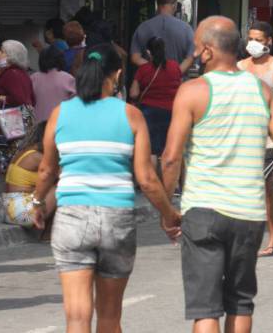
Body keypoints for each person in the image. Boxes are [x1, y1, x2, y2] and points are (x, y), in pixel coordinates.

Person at [160, 16, 273, 331]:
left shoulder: (192, 91)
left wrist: (165, 209)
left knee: (206, 309)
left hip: (203, 212)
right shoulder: (261, 92)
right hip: (248, 214)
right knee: (240, 302)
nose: (195, 54)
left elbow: (171, 158)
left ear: (209, 51)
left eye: (197, 48)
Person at [32, 44, 181, 333]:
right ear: (118, 73)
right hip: (117, 218)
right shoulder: (130, 115)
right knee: (110, 317)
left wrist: (37, 204)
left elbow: (47, 170)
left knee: (77, 317)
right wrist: (168, 214)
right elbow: (147, 178)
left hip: (71, 218)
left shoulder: (60, 114)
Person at [238, 22, 273, 256]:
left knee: (259, 184)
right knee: (260, 189)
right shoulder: (240, 67)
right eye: (251, 38)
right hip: (243, 134)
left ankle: (269, 237)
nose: (253, 43)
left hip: (270, 138)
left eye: (259, 40)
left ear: (269, 41)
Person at [130, 36, 183, 160]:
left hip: (149, 113)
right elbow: (179, 86)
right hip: (171, 112)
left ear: (148, 52)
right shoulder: (174, 66)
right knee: (168, 149)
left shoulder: (143, 69)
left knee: (152, 150)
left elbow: (133, 93)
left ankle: (154, 178)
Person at [1, 120, 55, 228]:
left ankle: (47, 233)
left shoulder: (27, 152)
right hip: (20, 211)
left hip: (8, 210)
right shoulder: (36, 157)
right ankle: (47, 234)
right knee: (62, 186)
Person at [131, 0, 195, 75]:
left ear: (157, 5)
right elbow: (190, 58)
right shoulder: (186, 29)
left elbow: (135, 58)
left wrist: (155, 70)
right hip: (177, 85)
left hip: (150, 84)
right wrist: (174, 74)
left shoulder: (143, 27)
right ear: (174, 5)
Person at [31, 46, 77, 126]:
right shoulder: (68, 78)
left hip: (39, 126)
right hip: (62, 124)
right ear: (61, 60)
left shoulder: (33, 78)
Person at [0, 40, 35, 109]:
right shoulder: (21, 72)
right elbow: (32, 100)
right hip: (24, 116)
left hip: (12, 117)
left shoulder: (12, 74)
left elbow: (19, 99)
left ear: (12, 56)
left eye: (2, 52)